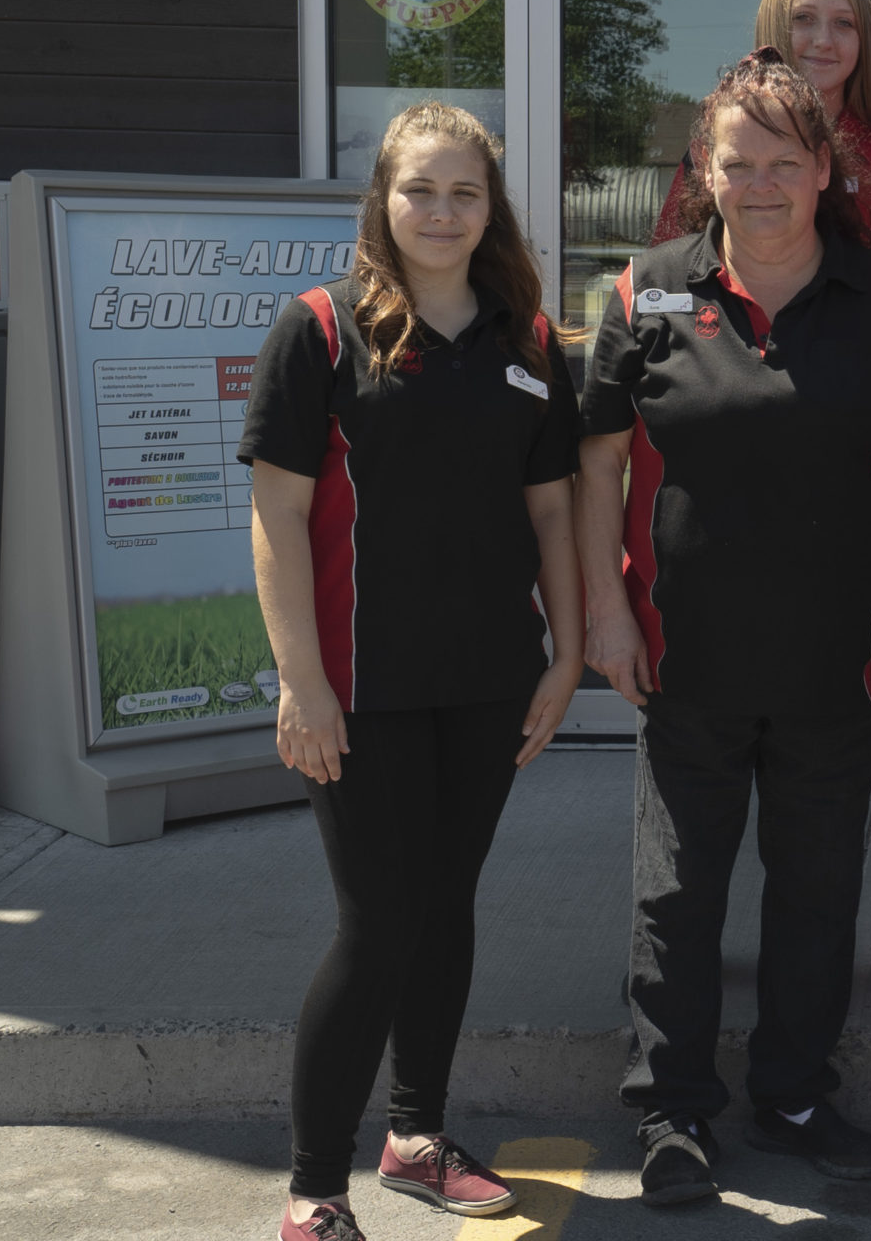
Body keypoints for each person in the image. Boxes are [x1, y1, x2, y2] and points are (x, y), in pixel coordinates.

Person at [579, 49, 871, 1208]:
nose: (758, 183)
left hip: (838, 661)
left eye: (782, 163)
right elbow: (597, 469)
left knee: (816, 888)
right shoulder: (639, 293)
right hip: (681, 657)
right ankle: (673, 1110)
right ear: (703, 168)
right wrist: (603, 608)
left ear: (822, 170)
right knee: (677, 897)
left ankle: (795, 1094)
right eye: (735, 161)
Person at [244, 100, 585, 1241]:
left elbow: (553, 512)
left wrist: (569, 652)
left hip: (488, 678)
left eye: (464, 193)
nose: (441, 212)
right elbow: (277, 519)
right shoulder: (321, 332)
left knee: (445, 913)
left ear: (491, 210)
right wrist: (300, 681)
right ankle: (314, 1191)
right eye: (419, 190)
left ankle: (417, 1136)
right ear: (381, 202)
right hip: (358, 686)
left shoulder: (527, 341)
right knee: (378, 923)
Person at [650, 0, 871, 270]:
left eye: (844, 23)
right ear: (775, 24)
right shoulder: (713, 151)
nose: (824, 40)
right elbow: (668, 281)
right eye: (803, 19)